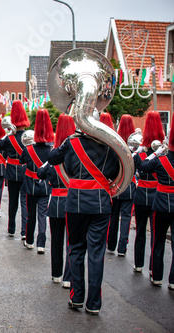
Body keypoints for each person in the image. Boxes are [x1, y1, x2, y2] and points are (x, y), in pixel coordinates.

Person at [48, 118, 120, 315]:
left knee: (76, 249)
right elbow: (116, 171)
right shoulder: (111, 144)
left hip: (76, 201)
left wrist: (68, 139)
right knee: (96, 253)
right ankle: (94, 303)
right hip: (101, 201)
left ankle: (77, 297)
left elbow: (53, 157)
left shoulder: (72, 141)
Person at [37, 114, 75, 287]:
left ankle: (56, 274)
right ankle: (68, 277)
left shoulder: (53, 157)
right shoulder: (76, 156)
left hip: (55, 203)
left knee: (57, 241)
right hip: (73, 201)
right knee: (71, 242)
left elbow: (40, 173)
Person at [138, 121, 174, 290]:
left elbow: (143, 167)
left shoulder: (161, 159)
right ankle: (173, 280)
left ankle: (157, 276)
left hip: (160, 203)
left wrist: (155, 153)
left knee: (157, 240)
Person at [133, 111, 164, 273]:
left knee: (140, 231)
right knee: (155, 234)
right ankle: (154, 268)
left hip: (141, 194)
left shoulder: (140, 154)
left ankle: (138, 264)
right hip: (158, 195)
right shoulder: (163, 154)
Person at [19, 109, 53, 253]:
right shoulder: (51, 150)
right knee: (42, 215)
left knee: (30, 214)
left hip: (30, 186)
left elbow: (21, 161)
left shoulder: (28, 149)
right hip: (45, 186)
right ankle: (41, 244)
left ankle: (29, 240)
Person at [0, 100, 29, 238]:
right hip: (25, 171)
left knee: (13, 202)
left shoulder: (9, 138)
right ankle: (24, 231)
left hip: (11, 172)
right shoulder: (28, 137)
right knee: (25, 202)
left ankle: (11, 228)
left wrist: (9, 133)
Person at [107, 115, 136, 256]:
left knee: (113, 216)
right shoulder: (136, 144)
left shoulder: (115, 143)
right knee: (126, 218)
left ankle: (111, 244)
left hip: (116, 185)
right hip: (129, 185)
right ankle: (122, 247)